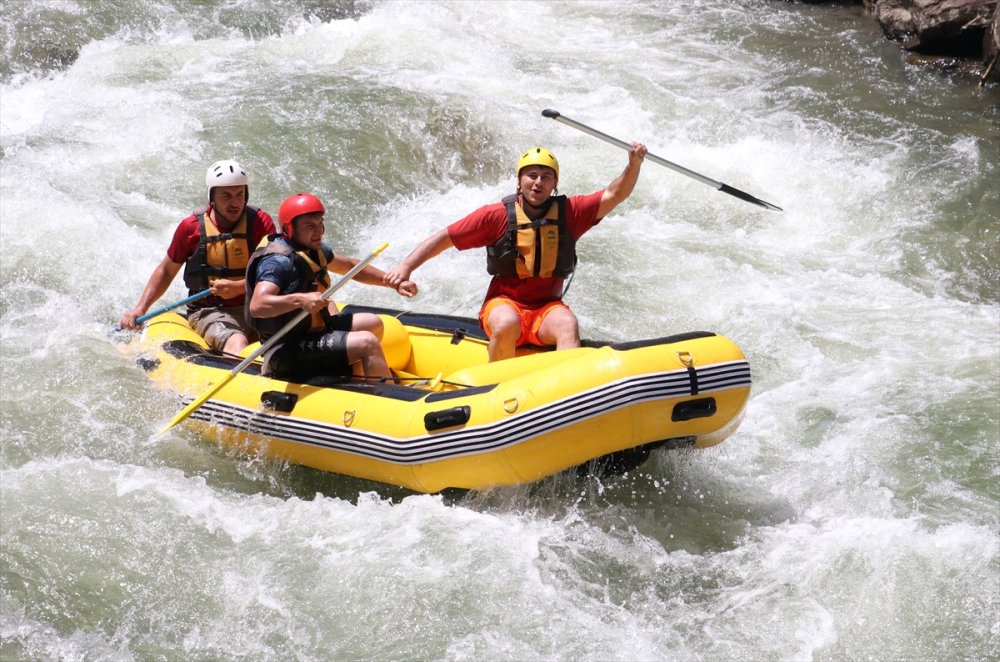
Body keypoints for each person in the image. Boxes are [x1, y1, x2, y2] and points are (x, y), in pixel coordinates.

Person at [384, 143, 647, 362]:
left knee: (568, 323)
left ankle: (562, 393)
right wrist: (406, 268)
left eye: (546, 177)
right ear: (519, 180)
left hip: (545, 309)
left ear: (555, 183)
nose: (538, 183)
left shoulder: (571, 212)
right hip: (503, 304)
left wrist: (633, 164)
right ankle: (494, 386)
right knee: (508, 322)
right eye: (531, 175)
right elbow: (445, 238)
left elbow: (615, 193)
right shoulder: (495, 216)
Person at [246, 192, 417, 382]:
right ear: (290, 229)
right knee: (367, 342)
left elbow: (351, 267)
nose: (319, 231)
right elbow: (258, 305)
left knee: (373, 323)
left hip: (311, 332)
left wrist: (391, 281)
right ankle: (387, 399)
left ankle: (356, 379)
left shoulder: (313, 249)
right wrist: (300, 300)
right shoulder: (277, 262)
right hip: (285, 349)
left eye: (320, 224)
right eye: (310, 226)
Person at [119, 160, 276, 354]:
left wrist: (237, 287)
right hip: (210, 311)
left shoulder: (260, 223)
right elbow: (167, 270)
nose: (235, 203)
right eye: (226, 196)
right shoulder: (191, 228)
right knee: (237, 342)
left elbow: (274, 274)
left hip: (255, 307)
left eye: (239, 195)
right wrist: (140, 308)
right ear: (212, 198)